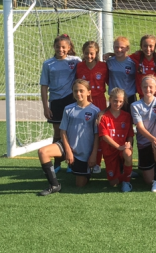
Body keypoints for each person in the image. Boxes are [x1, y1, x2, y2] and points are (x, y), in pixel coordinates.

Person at [37, 78, 100, 196]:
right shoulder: (68, 109)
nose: (78, 93)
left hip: (83, 153)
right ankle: (54, 184)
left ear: (89, 92)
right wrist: (68, 150)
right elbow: (63, 131)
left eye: (81, 91)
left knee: (80, 184)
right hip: (67, 146)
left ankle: (86, 172)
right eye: (76, 91)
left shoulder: (95, 111)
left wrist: (94, 155)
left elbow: (97, 135)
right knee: (42, 152)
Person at [40, 35, 80, 174]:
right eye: (58, 47)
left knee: (71, 132)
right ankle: (57, 163)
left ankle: (71, 161)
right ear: (54, 47)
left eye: (64, 47)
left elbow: (89, 62)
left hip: (71, 100)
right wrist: (45, 106)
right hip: (56, 102)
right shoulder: (48, 64)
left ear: (69, 48)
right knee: (57, 132)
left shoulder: (75, 61)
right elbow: (44, 86)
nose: (60, 49)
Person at [76, 40, 110, 174]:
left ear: (96, 53)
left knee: (99, 131)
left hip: (99, 101)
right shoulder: (79, 66)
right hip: (85, 103)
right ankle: (84, 160)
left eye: (91, 53)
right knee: (86, 132)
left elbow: (110, 82)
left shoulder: (103, 66)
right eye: (86, 53)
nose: (89, 56)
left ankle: (97, 163)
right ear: (83, 53)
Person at [131, 76, 156, 192]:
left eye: (151, 87)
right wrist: (153, 139)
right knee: (147, 181)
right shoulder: (135, 106)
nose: (148, 89)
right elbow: (140, 128)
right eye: (145, 87)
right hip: (144, 142)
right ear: (140, 88)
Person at [98, 88, 134, 192]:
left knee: (128, 153)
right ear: (110, 99)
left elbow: (130, 134)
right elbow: (104, 136)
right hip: (110, 150)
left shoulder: (127, 116)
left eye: (120, 101)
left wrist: (129, 144)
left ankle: (127, 181)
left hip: (123, 149)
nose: (117, 104)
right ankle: (127, 172)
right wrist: (118, 146)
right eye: (115, 101)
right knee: (113, 183)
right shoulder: (103, 117)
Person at [105, 38, 137, 109]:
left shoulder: (133, 63)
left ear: (127, 48)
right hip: (115, 97)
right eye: (116, 47)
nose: (119, 50)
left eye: (122, 47)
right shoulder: (109, 61)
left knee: (130, 119)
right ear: (113, 47)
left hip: (129, 97)